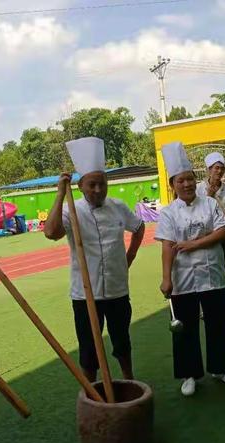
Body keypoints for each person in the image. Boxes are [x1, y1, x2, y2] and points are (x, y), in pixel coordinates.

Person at [44, 137, 145, 383]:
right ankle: (91, 389)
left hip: (117, 289)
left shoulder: (118, 206)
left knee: (122, 340)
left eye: (102, 184)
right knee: (89, 347)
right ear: (81, 186)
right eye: (92, 185)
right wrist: (59, 195)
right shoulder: (71, 209)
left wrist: (130, 255)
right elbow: (51, 232)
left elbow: (139, 228)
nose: (98, 190)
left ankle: (128, 378)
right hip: (84, 292)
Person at [155, 141, 225, 397]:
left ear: (196, 180)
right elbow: (168, 246)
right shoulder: (168, 213)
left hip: (213, 273)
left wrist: (192, 244)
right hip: (183, 278)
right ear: (173, 185)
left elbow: (223, 232)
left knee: (217, 322)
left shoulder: (210, 204)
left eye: (190, 179)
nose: (187, 184)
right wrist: (166, 278)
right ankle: (189, 374)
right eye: (181, 181)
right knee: (186, 327)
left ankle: (221, 368)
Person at [196, 152, 225, 309]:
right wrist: (209, 195)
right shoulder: (199, 189)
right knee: (209, 269)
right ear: (209, 170)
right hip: (209, 235)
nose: (219, 171)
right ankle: (203, 306)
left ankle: (222, 299)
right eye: (216, 168)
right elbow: (197, 210)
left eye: (221, 168)